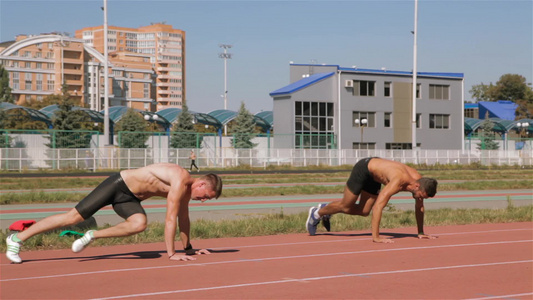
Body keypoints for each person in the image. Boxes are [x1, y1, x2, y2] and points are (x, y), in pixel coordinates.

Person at [5, 163, 223, 264]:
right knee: (73, 217)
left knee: (139, 224)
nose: (203, 200)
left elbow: (183, 220)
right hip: (117, 185)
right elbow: (170, 219)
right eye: (206, 196)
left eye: (207, 200)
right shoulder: (180, 178)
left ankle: (91, 235)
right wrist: (171, 253)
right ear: (202, 183)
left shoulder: (186, 193)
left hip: (130, 199)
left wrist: (189, 249)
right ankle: (17, 238)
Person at [306, 157, 438, 243]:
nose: (420, 199)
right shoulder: (399, 181)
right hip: (364, 169)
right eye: (421, 196)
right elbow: (378, 206)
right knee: (346, 205)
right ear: (416, 186)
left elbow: (419, 207)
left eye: (423, 198)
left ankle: (328, 208)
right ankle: (317, 213)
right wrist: (376, 237)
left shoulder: (420, 182)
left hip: (375, 178)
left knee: (364, 211)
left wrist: (421, 232)